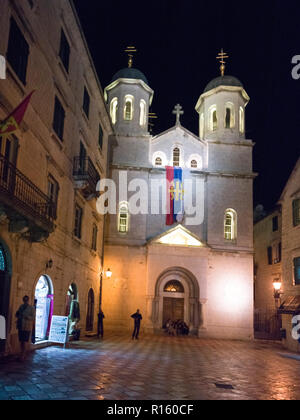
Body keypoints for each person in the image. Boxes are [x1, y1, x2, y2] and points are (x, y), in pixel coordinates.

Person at [15, 296, 35, 361]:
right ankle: (21, 354)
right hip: (20, 326)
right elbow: (17, 314)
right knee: (21, 341)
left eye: (26, 300)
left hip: (27, 327)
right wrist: (17, 315)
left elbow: (32, 317)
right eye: (24, 300)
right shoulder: (21, 306)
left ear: (28, 300)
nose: (25, 301)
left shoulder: (31, 308)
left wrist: (26, 316)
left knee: (25, 341)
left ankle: (23, 355)